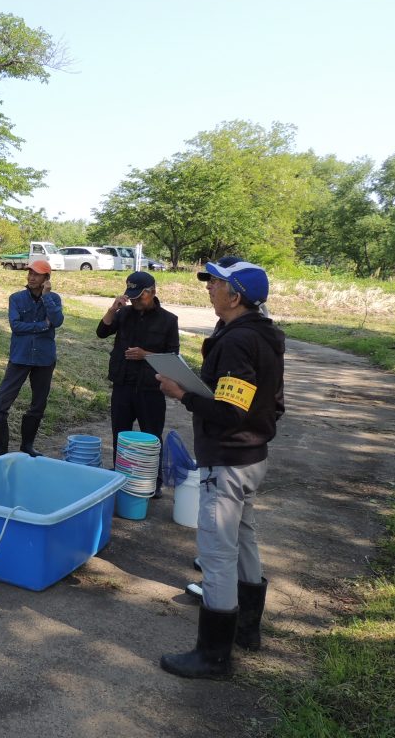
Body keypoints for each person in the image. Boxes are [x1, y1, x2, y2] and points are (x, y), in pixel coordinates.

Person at [156, 259, 285, 679]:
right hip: (252, 457)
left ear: (236, 295)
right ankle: (247, 631)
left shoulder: (237, 341)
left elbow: (229, 411)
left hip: (227, 461)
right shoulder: (264, 335)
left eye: (216, 283)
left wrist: (182, 393)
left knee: (216, 553)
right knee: (244, 538)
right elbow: (272, 404)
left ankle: (213, 657)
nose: (209, 287)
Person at [96, 271, 179, 494]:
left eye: (139, 296)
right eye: (131, 296)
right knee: (120, 433)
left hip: (150, 387)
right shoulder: (124, 314)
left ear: (152, 292)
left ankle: (154, 481)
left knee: (151, 435)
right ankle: (120, 477)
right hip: (122, 384)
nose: (135, 301)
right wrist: (112, 309)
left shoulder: (169, 320)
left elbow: (173, 356)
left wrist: (146, 355)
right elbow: (101, 332)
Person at [0, 259, 64, 459]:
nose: (31, 277)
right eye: (30, 273)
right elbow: (16, 326)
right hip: (20, 357)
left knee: (38, 404)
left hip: (44, 359)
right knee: (2, 402)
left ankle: (27, 446)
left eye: (37, 274)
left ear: (46, 278)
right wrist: (42, 326)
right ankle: (0, 449)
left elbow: (57, 321)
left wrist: (46, 297)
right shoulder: (16, 298)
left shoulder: (54, 298)